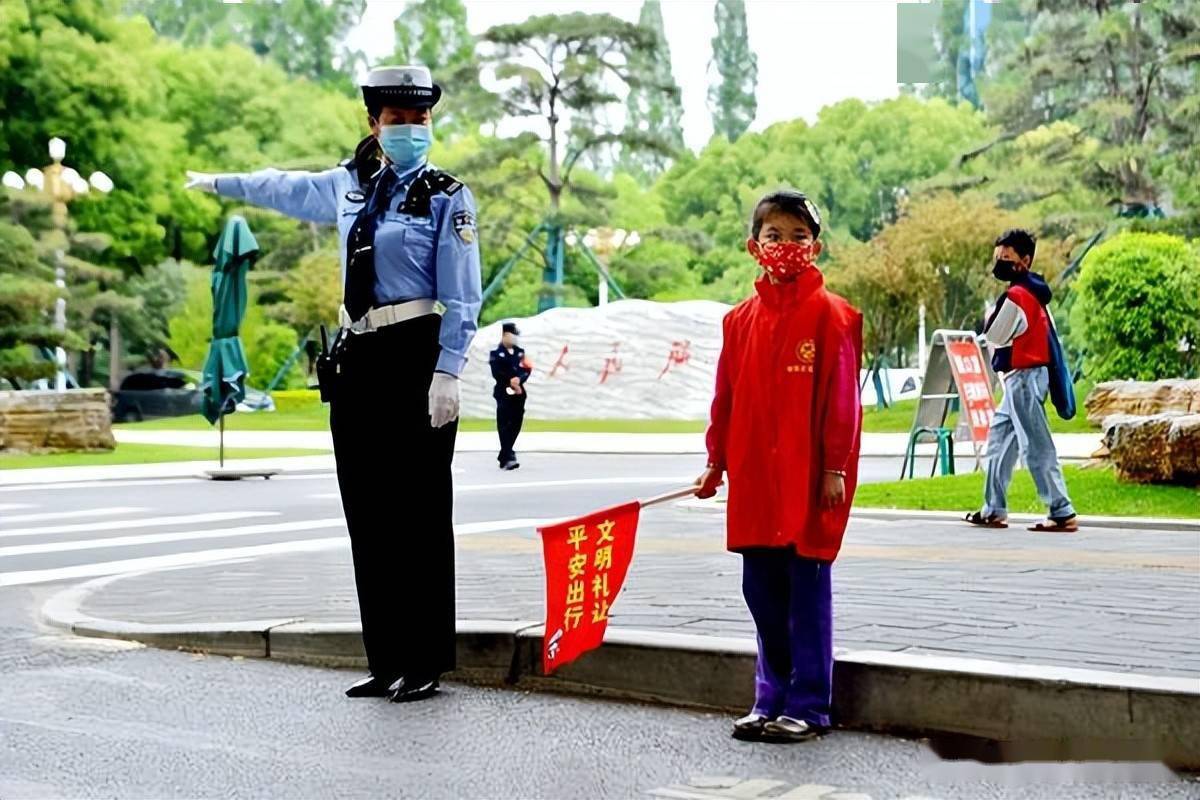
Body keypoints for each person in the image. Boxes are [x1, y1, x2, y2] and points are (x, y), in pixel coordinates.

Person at [185, 65, 482, 703]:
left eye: (419, 120)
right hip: (359, 357)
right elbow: (284, 188)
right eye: (397, 120)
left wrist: (448, 372)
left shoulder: (445, 195)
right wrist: (221, 184)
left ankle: (425, 660)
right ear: (373, 123)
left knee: (420, 513)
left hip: (416, 352)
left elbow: (463, 295)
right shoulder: (349, 187)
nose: (409, 129)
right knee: (367, 511)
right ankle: (387, 657)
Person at [695, 190, 862, 743]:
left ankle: (810, 704)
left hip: (811, 482)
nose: (786, 246)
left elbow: (843, 402)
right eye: (775, 236)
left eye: (798, 236)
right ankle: (769, 696)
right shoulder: (738, 321)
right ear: (754, 246)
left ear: (815, 247)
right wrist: (715, 461)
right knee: (761, 593)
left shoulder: (833, 316)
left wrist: (835, 467)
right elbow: (726, 398)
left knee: (805, 591)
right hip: (755, 481)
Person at [965, 229, 1077, 533]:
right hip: (1023, 377)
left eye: (1006, 257)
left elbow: (995, 335)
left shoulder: (1017, 296)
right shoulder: (1035, 293)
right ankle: (993, 508)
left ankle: (1061, 509)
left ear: (1024, 260)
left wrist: (992, 319)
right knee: (999, 441)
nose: (1000, 261)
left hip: (1024, 377)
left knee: (1035, 444)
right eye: (998, 256)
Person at [489, 321, 530, 470]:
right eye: (512, 335)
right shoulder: (496, 353)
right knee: (504, 423)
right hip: (503, 391)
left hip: (519, 392)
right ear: (504, 335)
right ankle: (508, 455)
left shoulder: (520, 352)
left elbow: (527, 368)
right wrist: (510, 381)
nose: (514, 338)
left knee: (516, 422)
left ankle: (505, 453)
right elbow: (496, 372)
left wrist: (519, 379)